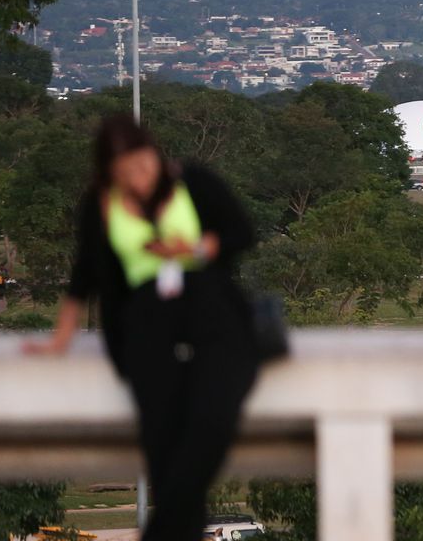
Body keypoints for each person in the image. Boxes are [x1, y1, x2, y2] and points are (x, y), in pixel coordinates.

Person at [25, 113, 260, 541]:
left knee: (210, 422)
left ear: (156, 154)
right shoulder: (101, 206)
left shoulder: (194, 182)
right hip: (146, 330)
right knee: (164, 450)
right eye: (126, 172)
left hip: (213, 319)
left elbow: (241, 233)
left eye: (145, 164)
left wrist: (194, 248)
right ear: (108, 173)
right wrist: (61, 336)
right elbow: (85, 276)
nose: (140, 177)